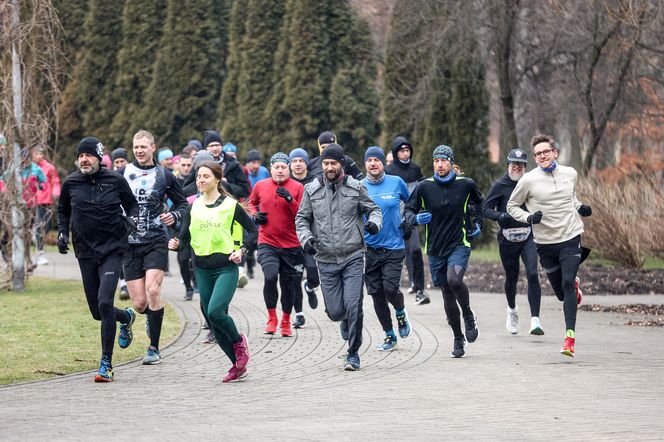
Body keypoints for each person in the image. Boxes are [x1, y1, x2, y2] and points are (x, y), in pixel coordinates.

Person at [57, 136, 139, 382]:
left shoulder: (115, 179)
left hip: (112, 248)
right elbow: (63, 210)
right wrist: (62, 232)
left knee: (104, 302)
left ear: (99, 158)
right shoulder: (71, 182)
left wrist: (132, 220)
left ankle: (106, 364)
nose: (84, 159)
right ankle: (126, 317)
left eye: (89, 155)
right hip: (85, 251)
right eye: (81, 155)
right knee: (97, 311)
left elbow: (132, 205)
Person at [296, 143, 382, 371]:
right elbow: (302, 219)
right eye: (326, 163)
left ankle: (353, 353)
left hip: (353, 255)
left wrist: (374, 223)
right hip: (324, 258)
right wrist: (306, 239)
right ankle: (343, 319)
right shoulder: (311, 190)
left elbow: (373, 209)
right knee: (335, 312)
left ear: (341, 165)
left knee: (354, 305)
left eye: (333, 163)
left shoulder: (355, 187)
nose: (329, 167)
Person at [168, 160, 255, 382]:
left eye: (206, 176)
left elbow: (253, 231)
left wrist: (241, 250)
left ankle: (239, 343)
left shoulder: (230, 205)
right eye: (198, 177)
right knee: (211, 318)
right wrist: (177, 243)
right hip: (202, 269)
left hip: (225, 268)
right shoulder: (193, 207)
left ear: (217, 179)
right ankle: (236, 365)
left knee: (216, 311)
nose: (201, 180)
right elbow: (185, 237)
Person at [507, 134, 591, 357]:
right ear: (535, 158)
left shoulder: (570, 173)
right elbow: (511, 206)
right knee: (563, 293)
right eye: (538, 154)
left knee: (565, 283)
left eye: (546, 151)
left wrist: (580, 207)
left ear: (555, 152)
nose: (542, 156)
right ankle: (574, 287)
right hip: (545, 243)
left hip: (571, 236)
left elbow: (569, 198)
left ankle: (569, 339)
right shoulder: (528, 180)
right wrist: (528, 218)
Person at [405, 145, 484, 358]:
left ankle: (468, 315)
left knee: (455, 281)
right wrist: (415, 219)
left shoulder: (465, 185)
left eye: (444, 160)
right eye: (436, 161)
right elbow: (409, 210)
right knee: (447, 294)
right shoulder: (424, 187)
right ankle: (458, 338)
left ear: (451, 162)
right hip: (435, 249)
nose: (440, 164)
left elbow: (479, 204)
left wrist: (477, 222)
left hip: (459, 243)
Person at [121, 129, 187, 365]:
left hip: (156, 240)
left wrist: (175, 216)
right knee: (139, 303)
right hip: (130, 244)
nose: (139, 151)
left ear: (153, 148)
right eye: (136, 147)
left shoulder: (165, 175)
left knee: (153, 291)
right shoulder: (123, 173)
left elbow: (181, 203)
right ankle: (136, 316)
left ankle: (154, 348)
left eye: (143, 146)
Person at [484, 149, 543, 335]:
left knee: (533, 273)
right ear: (508, 165)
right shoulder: (499, 185)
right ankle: (512, 310)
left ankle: (535, 320)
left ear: (525, 167)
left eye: (520, 164)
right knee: (512, 278)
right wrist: (500, 216)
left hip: (528, 236)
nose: (516, 166)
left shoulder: (531, 184)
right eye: (513, 163)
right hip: (508, 238)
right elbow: (485, 209)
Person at [361, 146, 412, 351]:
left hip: (394, 245)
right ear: (365, 163)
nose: (373, 163)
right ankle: (389, 335)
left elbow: (411, 205)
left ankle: (400, 313)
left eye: (377, 160)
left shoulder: (396, 182)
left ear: (383, 163)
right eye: (369, 160)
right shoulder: (359, 186)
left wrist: (409, 221)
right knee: (376, 293)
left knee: (390, 289)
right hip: (369, 248)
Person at [249, 152, 305, 337]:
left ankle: (286, 321)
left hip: (291, 244)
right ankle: (272, 318)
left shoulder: (297, 187)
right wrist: (255, 215)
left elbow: (303, 214)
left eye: (283, 167)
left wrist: (290, 200)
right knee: (271, 277)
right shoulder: (260, 185)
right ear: (270, 169)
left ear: (288, 169)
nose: (280, 171)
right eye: (276, 167)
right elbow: (252, 203)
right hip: (268, 242)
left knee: (288, 284)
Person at [385, 136, 429, 305]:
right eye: (401, 151)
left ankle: (420, 290)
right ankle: (390, 290)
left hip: (410, 218)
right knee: (393, 255)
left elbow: (422, 189)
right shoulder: (388, 170)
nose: (405, 153)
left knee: (416, 251)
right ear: (396, 153)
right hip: (392, 219)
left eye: (407, 150)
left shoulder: (415, 169)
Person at [288, 148, 319, 328]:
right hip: (291, 235)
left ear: (306, 162)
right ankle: (299, 314)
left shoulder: (315, 180)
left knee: (313, 273)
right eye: (294, 161)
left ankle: (310, 286)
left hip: (311, 233)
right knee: (294, 277)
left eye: (301, 160)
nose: (298, 164)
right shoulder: (286, 182)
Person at [32, 145, 61, 266]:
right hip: (34, 202)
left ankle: (34, 233)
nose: (38, 156)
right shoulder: (30, 168)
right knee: (39, 227)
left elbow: (55, 182)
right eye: (35, 154)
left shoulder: (49, 167)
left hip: (46, 200)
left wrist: (56, 192)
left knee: (47, 226)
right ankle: (40, 254)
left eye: (40, 153)